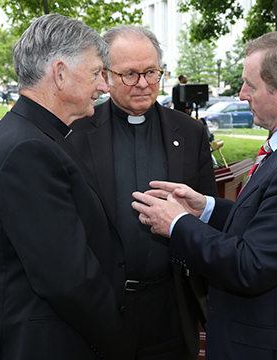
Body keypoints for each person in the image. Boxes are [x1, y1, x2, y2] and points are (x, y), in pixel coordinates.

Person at [131, 30, 277, 360]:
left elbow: (251, 264)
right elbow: (270, 223)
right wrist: (205, 208)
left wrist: (177, 224)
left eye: (250, 84)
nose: (241, 94)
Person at [0, 14, 133, 360]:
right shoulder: (27, 149)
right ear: (59, 74)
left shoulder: (36, 136)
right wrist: (120, 344)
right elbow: (69, 281)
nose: (104, 86)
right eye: (95, 73)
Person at [68, 25, 217, 360]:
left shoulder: (191, 133)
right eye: (130, 74)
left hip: (172, 306)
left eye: (151, 72)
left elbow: (209, 219)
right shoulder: (76, 133)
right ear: (105, 75)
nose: (143, 83)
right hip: (102, 309)